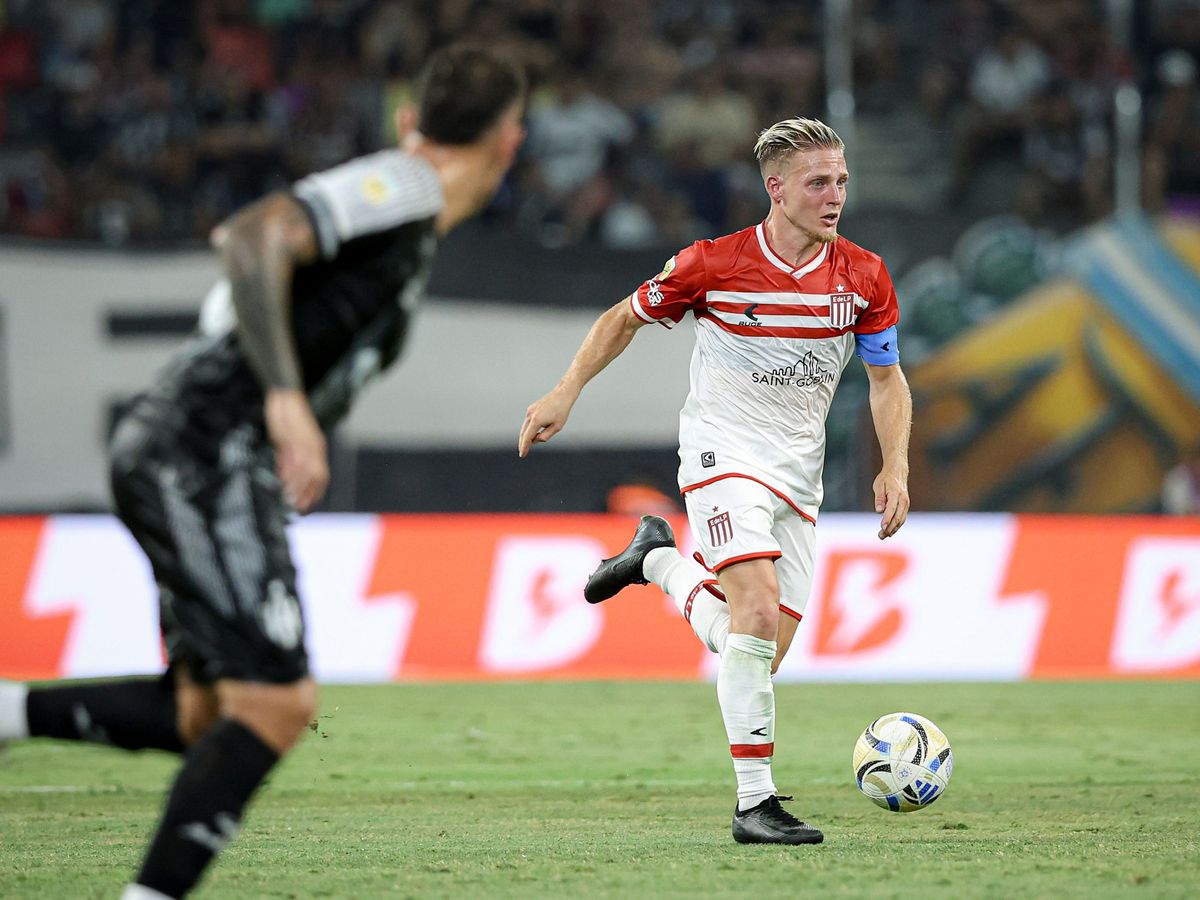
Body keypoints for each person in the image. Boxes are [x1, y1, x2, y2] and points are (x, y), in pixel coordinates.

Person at [0, 44, 526, 899]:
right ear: (512, 140)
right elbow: (248, 235)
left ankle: (11, 712)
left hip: (197, 447)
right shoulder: (405, 184)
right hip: (204, 445)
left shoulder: (406, 221)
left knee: (201, 713)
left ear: (407, 115)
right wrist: (284, 399)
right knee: (276, 705)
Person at [518, 117, 911, 845]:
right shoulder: (711, 264)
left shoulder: (864, 276)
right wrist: (565, 390)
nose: (835, 197)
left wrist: (896, 464)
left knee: (752, 647)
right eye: (819, 183)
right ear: (777, 189)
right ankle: (754, 806)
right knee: (756, 618)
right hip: (722, 455)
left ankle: (657, 561)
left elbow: (887, 380)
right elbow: (622, 319)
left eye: (842, 181)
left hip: (800, 475)